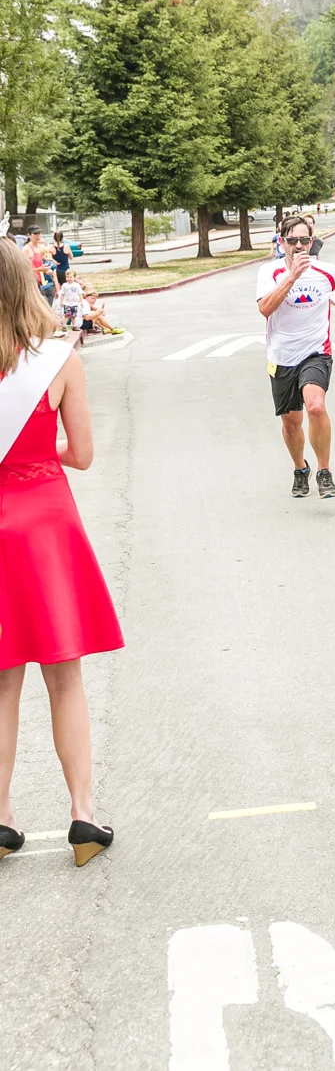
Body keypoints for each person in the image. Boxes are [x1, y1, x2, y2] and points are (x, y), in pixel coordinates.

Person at [0, 240, 123, 868]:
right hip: (46, 521)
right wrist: (38, 455)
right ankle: (82, 816)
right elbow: (83, 454)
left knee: (2, 682)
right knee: (64, 676)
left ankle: (0, 818)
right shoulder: (59, 358)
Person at [256, 213, 335, 498]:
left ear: (311, 241)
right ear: (281, 243)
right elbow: (265, 308)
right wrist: (292, 277)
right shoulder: (269, 272)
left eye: (304, 240)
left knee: (315, 407)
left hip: (316, 352)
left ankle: (324, 471)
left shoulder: (326, 271)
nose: (299, 246)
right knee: (291, 423)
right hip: (282, 356)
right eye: (292, 241)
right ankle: (300, 468)